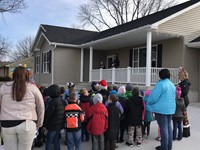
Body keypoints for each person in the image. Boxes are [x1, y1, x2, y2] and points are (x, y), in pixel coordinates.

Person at [0, 66, 45, 150]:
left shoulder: (3, 87)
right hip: (27, 122)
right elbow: (41, 106)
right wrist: (39, 123)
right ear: (27, 75)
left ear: (13, 75)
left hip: (7, 123)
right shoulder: (33, 88)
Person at [146, 69, 176, 150]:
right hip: (171, 109)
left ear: (161, 75)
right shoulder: (172, 85)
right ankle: (169, 146)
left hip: (161, 110)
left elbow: (153, 98)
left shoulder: (160, 84)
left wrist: (148, 103)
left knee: (163, 128)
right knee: (168, 127)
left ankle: (164, 147)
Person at [43, 84, 65, 150]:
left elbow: (48, 114)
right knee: (56, 140)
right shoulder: (61, 100)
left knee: (49, 141)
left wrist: (44, 124)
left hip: (52, 125)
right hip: (59, 124)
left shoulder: (52, 102)